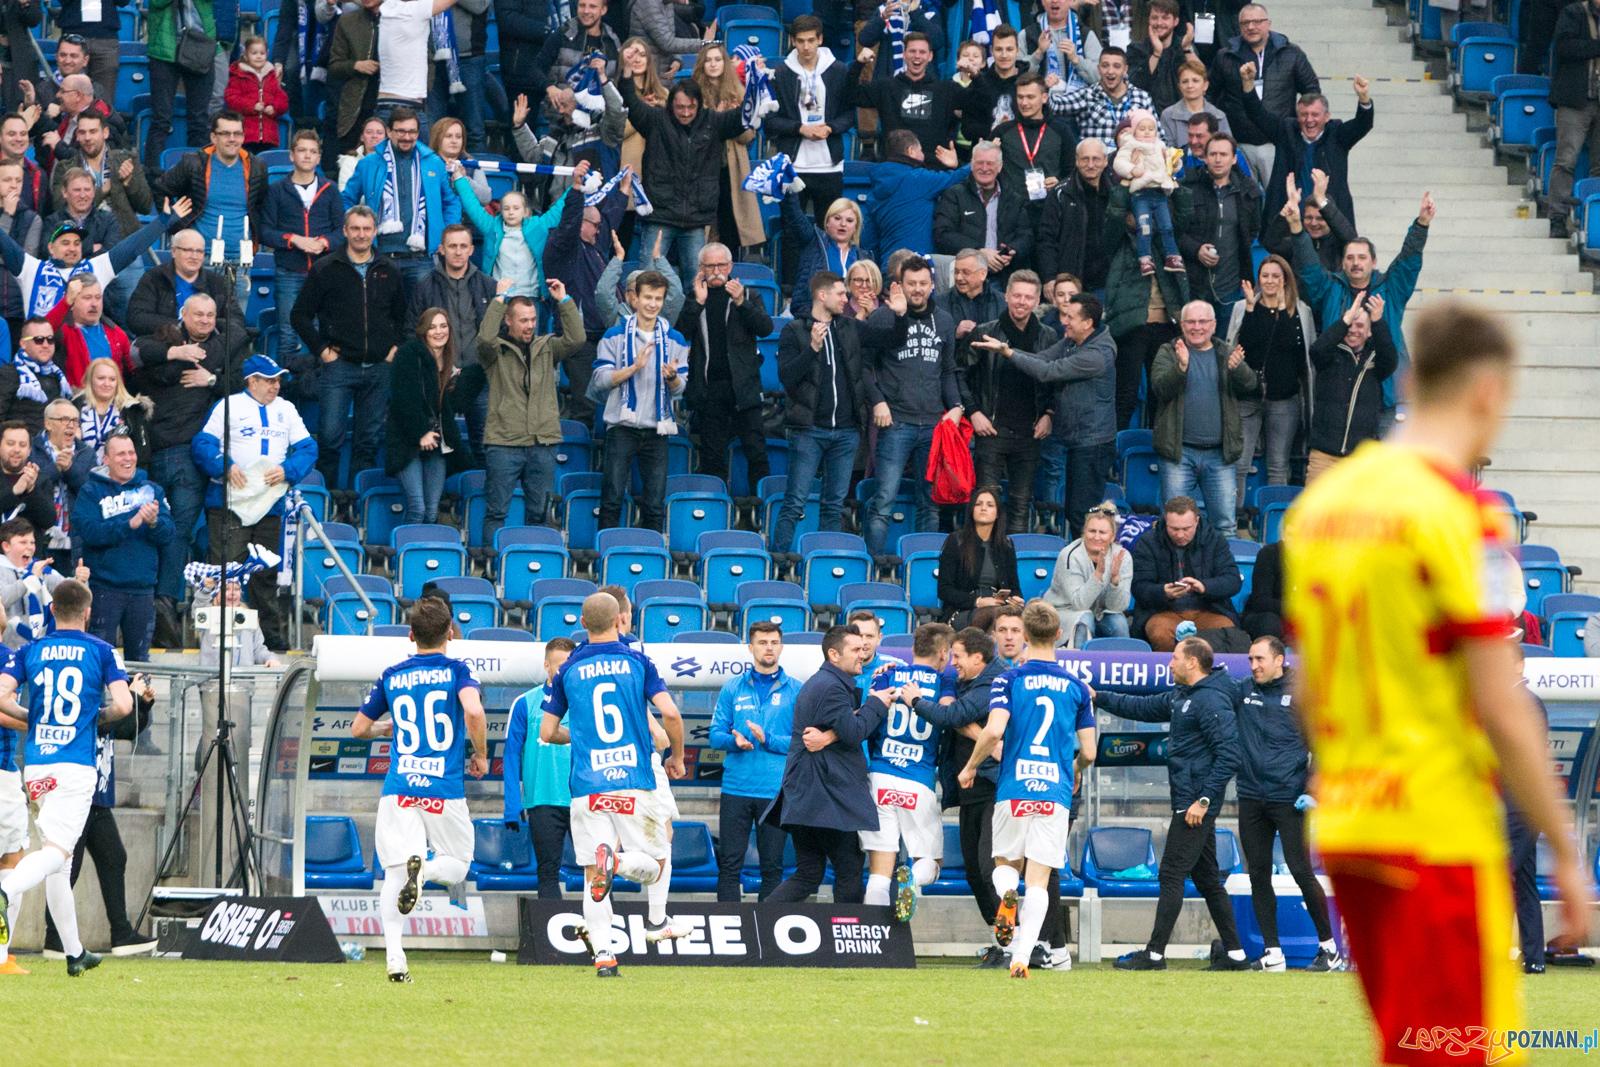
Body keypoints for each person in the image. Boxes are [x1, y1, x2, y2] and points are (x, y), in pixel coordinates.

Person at [1286, 303, 1591, 1053]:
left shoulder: (1323, 506)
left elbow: (1307, 689)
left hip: (1352, 825)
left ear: (1413, 376)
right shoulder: (1463, 513)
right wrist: (1566, 852)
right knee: (1463, 1047)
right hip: (1433, 829)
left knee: (1413, 1044)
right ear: (1488, 391)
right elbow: (1499, 698)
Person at [541, 592, 688, 975]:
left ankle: (604, 957)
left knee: (593, 874)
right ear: (620, 621)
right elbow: (670, 713)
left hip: (587, 787)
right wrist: (676, 756)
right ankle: (620, 863)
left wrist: (584, 737)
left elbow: (547, 731)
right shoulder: (637, 661)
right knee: (656, 865)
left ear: (584, 625)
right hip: (633, 782)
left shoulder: (568, 669)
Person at [350, 596, 486, 983]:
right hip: (442, 787)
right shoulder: (457, 669)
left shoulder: (392, 674)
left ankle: (395, 959)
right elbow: (474, 712)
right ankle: (424, 871)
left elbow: (359, 729)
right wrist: (479, 753)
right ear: (450, 634)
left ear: (410, 635)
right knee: (458, 867)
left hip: (400, 786)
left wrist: (385, 728)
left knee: (394, 875)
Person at [0, 578, 132, 975]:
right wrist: (91, 720)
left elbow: (2, 697)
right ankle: (4, 889)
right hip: (74, 766)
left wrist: (35, 718)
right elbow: (124, 705)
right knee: (56, 853)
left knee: (60, 859)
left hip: (37, 765)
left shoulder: (29, 651)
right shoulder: (104, 651)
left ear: (53, 610)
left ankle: (74, 953)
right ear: (88, 613)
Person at [1094, 635, 1246, 970]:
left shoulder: (1211, 701)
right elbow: (1141, 707)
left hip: (1194, 804)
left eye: (1175, 657)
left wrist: (1203, 801)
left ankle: (1155, 954)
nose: (1169, 663)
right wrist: (1098, 696)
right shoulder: (1182, 696)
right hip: (1188, 799)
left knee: (1171, 873)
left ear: (1193, 662)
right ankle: (1236, 955)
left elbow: (1229, 755)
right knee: (1207, 879)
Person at [959, 600, 1088, 978]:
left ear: (1026, 636)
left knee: (1004, 866)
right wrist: (1075, 768)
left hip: (1014, 789)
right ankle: (1021, 957)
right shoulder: (1077, 686)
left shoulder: (1009, 679)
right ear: (1059, 635)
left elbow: (994, 730)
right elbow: (1091, 751)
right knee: (1040, 881)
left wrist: (970, 766)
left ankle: (1006, 898)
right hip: (1055, 792)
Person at [191, 352, 313, 651]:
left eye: (278, 380)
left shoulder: (286, 409)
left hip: (269, 505)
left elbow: (308, 448)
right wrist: (225, 464)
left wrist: (288, 470)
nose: (276, 386)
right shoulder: (229, 405)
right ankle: (215, 636)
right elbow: (202, 443)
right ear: (252, 381)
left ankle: (268, 637)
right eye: (270, 381)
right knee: (225, 569)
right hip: (230, 503)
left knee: (266, 573)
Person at [765, 623, 895, 905]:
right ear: (834, 655)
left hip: (808, 797)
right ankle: (847, 940)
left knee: (809, 873)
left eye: (864, 648)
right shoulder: (831, 687)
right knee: (848, 869)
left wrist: (830, 734)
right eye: (856, 650)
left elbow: (846, 724)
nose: (863, 654)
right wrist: (877, 703)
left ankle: (760, 924)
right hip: (826, 798)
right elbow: (855, 732)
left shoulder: (826, 683)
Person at [1233, 634, 1340, 971]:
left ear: (1279, 660)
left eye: (1259, 660)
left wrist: (1314, 788)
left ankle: (1330, 949)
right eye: (1250, 660)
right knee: (1258, 876)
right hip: (1251, 796)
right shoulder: (1243, 690)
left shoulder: (1302, 694)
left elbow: (1324, 745)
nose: (1254, 666)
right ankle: (1273, 953)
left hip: (1289, 798)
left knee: (1300, 871)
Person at [857, 622, 978, 918]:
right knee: (931, 862)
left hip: (880, 776)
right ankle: (912, 878)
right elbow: (948, 716)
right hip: (918, 779)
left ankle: (876, 940)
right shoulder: (945, 683)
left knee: (879, 873)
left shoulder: (886, 676)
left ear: (912, 650)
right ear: (944, 652)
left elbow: (867, 720)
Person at [1286, 187, 1430, 428]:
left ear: (1373, 262)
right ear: (1342, 263)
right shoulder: (1330, 288)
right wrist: (1295, 226)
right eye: (1350, 258)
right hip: (1338, 395)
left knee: (1387, 465)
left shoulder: (1391, 288)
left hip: (1384, 398)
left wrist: (1422, 224)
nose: (1355, 263)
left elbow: (1409, 259)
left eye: (1362, 257)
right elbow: (1309, 265)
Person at [984, 291, 1118, 538]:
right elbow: (1040, 358)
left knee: (1082, 514)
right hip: (1078, 440)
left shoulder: (1097, 355)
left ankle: (1092, 568)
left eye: (1070, 317)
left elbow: (1047, 371)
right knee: (1076, 512)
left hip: (1093, 443)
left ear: (1088, 323)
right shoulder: (1072, 342)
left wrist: (1007, 353)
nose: (1063, 321)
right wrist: (1008, 350)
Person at [292, 207, 407, 489]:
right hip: (339, 368)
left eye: (367, 229)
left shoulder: (390, 270)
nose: (361, 234)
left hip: (379, 368)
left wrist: (394, 349)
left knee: (367, 444)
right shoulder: (325, 268)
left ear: (375, 232)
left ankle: (358, 506)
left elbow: (404, 317)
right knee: (330, 440)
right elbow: (299, 315)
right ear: (344, 231)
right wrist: (323, 351)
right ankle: (328, 501)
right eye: (355, 228)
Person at [861, 257, 962, 557]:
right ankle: (873, 570)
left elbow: (947, 371)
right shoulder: (882, 318)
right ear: (899, 286)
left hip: (934, 425)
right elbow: (864, 368)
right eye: (911, 284)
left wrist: (956, 405)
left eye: (923, 284)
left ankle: (922, 571)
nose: (917, 290)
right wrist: (877, 401)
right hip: (896, 425)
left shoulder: (944, 321)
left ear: (932, 285)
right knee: (883, 503)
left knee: (930, 505)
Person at [616, 77, 750, 290]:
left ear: (699, 103)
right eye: (680, 107)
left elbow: (744, 117)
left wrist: (756, 84)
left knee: (695, 286)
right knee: (647, 281)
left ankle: (692, 325)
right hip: (659, 215)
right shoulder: (656, 120)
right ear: (671, 104)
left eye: (691, 107)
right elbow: (630, 103)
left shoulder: (713, 122)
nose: (686, 112)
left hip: (695, 220)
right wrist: (627, 74)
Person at [478, 280, 583, 541]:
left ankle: (531, 569)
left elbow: (576, 339)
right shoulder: (495, 352)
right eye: (523, 320)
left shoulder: (547, 347)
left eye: (533, 319)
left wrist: (564, 301)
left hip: (542, 443)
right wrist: (499, 298)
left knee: (539, 514)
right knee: (496, 513)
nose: (530, 325)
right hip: (504, 443)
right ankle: (493, 569)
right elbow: (483, 340)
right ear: (508, 321)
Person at [773, 272, 864, 553]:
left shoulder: (848, 327)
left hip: (847, 432)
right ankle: (776, 566)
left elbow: (887, 339)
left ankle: (825, 565)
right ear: (822, 295)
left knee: (834, 505)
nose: (845, 299)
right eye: (840, 294)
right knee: (794, 502)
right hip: (809, 431)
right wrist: (812, 348)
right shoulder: (794, 330)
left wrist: (898, 315)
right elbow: (786, 377)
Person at [589, 270, 686, 534]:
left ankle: (650, 561)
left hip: (657, 430)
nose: (653, 304)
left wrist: (673, 379)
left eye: (658, 298)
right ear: (635, 298)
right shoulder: (614, 334)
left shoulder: (674, 339)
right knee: (611, 500)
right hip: (621, 427)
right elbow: (600, 380)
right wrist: (634, 367)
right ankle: (607, 559)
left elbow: (680, 390)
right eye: (648, 297)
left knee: (654, 505)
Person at [933, 626, 1008, 962]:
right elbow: (959, 719)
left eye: (958, 657)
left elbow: (954, 715)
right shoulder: (965, 683)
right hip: (969, 793)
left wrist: (916, 700)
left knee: (989, 866)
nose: (953, 663)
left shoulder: (993, 682)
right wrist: (980, 734)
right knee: (974, 872)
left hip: (994, 788)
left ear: (979, 658)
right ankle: (1002, 937)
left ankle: (1015, 942)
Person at [1149, 300, 1257, 536]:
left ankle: (1226, 574)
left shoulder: (1225, 352)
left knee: (1225, 527)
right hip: (1179, 454)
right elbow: (1159, 387)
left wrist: (1238, 369)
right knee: (1172, 527)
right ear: (1182, 324)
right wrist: (1181, 367)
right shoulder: (1168, 351)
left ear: (1214, 325)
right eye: (1190, 321)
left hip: (1219, 455)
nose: (1196, 327)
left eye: (1202, 321)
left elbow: (1251, 385)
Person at [709, 621, 798, 902]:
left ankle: (767, 935)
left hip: (775, 791)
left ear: (782, 647)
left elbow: (801, 742)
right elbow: (714, 736)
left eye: (773, 642)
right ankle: (728, 933)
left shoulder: (797, 690)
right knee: (729, 866)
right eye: (762, 642)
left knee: (772, 868)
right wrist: (732, 742)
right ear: (750, 647)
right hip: (735, 788)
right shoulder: (732, 688)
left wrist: (769, 738)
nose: (768, 648)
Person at [0, 199, 186, 328]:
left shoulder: (95, 268)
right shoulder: (32, 269)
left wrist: (163, 222)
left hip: (83, 350)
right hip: (44, 346)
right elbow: (5, 244)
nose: (72, 248)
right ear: (50, 247)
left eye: (76, 243)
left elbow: (131, 248)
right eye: (65, 243)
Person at [963, 272, 1055, 532]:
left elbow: (1059, 381)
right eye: (1017, 295)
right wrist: (973, 413)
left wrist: (1050, 413)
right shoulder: (984, 332)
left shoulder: (1048, 336)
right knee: (985, 505)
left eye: (1028, 297)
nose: (1021, 302)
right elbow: (960, 376)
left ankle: (1014, 565)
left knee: (1021, 505)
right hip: (991, 431)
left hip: (1030, 433)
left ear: (1037, 301)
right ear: (1006, 296)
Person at [678, 243, 774, 490]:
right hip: (710, 390)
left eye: (722, 265)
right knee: (712, 459)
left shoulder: (749, 295)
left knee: (757, 454)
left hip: (744, 388)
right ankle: (716, 513)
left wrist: (742, 302)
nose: (717, 270)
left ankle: (762, 511)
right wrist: (697, 303)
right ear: (701, 268)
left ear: (731, 266)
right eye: (711, 265)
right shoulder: (694, 297)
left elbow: (766, 329)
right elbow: (679, 334)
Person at [1230, 64, 1372, 230]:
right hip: (1290, 223)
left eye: (1315, 115)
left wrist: (1364, 99)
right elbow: (1257, 114)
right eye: (1303, 114)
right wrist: (1248, 85)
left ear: (1327, 117)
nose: (1309, 120)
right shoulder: (1286, 131)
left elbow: (1362, 125)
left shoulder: (1338, 135)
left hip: (1328, 224)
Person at [769, 14, 853, 279]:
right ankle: (792, 294)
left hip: (829, 166)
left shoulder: (838, 69)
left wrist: (830, 128)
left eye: (811, 41)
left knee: (830, 233)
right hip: (793, 166)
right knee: (792, 232)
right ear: (792, 41)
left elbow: (851, 114)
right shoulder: (781, 72)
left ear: (820, 39)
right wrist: (800, 129)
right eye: (800, 41)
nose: (806, 47)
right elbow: (769, 121)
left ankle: (830, 287)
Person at [343, 107, 462, 294]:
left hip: (422, 258)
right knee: (383, 318)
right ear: (389, 132)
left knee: (423, 319)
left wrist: (448, 235)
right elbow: (347, 198)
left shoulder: (433, 163)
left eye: (412, 132)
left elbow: (451, 202)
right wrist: (356, 229)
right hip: (381, 256)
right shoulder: (369, 163)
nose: (407, 137)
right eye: (401, 131)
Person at [1222, 253, 1311, 501]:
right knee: (1239, 463)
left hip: (1284, 399)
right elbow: (1247, 345)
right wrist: (1251, 308)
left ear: (1285, 279)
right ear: (1258, 278)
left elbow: (1291, 347)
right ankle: (1236, 517)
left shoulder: (1300, 311)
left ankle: (1273, 523)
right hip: (1249, 397)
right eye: (1265, 275)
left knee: (1278, 465)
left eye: (1276, 276)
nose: (1270, 281)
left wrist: (1282, 308)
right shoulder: (1244, 307)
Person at [260, 128, 346, 378]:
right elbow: (266, 231)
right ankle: (284, 387)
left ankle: (317, 387)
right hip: (289, 271)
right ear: (292, 155)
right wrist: (293, 240)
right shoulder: (277, 189)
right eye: (302, 151)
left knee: (320, 332)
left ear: (319, 157)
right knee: (287, 332)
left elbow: (341, 231)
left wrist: (324, 242)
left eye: (312, 152)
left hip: (323, 274)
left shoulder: (330, 189)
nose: (307, 156)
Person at [502, 636, 576, 900]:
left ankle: (606, 936)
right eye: (559, 666)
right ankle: (553, 938)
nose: (564, 672)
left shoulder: (585, 701)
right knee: (547, 873)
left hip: (584, 799)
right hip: (542, 800)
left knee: (599, 872)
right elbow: (511, 755)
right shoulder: (525, 702)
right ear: (547, 665)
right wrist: (512, 804)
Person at [387, 308, 471, 524]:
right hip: (408, 442)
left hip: (437, 443)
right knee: (417, 508)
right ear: (423, 331)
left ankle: (425, 555)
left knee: (431, 512)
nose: (439, 331)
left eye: (443, 326)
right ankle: (406, 557)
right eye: (432, 327)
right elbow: (402, 399)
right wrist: (420, 433)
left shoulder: (449, 359)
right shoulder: (408, 354)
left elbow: (448, 407)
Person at [1130, 495, 1243, 650]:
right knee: (1161, 634)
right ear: (1165, 521)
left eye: (1186, 529)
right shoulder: (1148, 542)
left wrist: (1204, 587)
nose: (1180, 535)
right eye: (1174, 529)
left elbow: (1233, 581)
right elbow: (1139, 587)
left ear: (1196, 521)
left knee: (1229, 634)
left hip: (1209, 610)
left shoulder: (1215, 540)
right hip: (1163, 612)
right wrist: (1163, 592)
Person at [447, 156, 568, 300]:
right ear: (501, 211)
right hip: (501, 296)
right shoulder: (491, 227)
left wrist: (578, 186)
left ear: (525, 211)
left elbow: (560, 209)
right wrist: (459, 178)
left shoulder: (538, 226)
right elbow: (472, 205)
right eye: (506, 208)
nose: (511, 212)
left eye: (516, 208)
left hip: (531, 296)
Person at [1305, 293, 1397, 483]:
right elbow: (1316, 350)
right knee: (1316, 512)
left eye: (1360, 325)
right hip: (1324, 455)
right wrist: (1346, 319)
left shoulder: (1376, 360)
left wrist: (1378, 321)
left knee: (1357, 513)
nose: (1353, 330)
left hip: (1360, 459)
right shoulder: (1329, 355)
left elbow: (1390, 359)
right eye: (1350, 325)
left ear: (1370, 332)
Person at [1180, 132, 1261, 318]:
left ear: (1234, 159)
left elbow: (1253, 229)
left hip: (1230, 287)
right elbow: (1173, 231)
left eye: (1223, 155)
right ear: (1205, 158)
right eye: (1213, 154)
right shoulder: (1187, 188)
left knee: (1227, 343)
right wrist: (1196, 250)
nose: (1218, 160)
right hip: (1194, 285)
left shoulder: (1248, 191)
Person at [849, 32, 962, 165]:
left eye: (922, 52)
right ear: (904, 54)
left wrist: (975, 75)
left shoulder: (946, 89)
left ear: (930, 56)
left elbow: (980, 103)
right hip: (894, 169)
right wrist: (858, 64)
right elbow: (851, 96)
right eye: (912, 51)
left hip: (933, 171)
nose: (917, 56)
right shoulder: (886, 86)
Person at [1506, 642, 1551, 973]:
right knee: (1523, 881)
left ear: (1520, 666)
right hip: (1516, 805)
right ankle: (1534, 958)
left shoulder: (1526, 702)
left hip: (1520, 807)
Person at [932, 145, 1032, 287]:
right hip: (964, 278)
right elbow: (942, 234)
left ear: (1000, 166)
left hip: (1003, 278)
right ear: (972, 165)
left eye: (990, 163)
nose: (984, 168)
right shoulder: (954, 195)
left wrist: (1012, 250)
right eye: (980, 163)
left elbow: (1026, 235)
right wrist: (979, 252)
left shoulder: (1014, 198)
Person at [124, 227, 243, 345]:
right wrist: (182, 327)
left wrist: (208, 330)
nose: (194, 256)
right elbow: (136, 318)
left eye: (199, 251)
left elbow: (236, 321)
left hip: (207, 348)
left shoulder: (217, 282)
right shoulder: (154, 278)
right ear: (174, 251)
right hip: (165, 347)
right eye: (188, 250)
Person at [865, 130, 969, 261]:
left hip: (889, 269)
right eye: (921, 150)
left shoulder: (874, 188)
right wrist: (979, 159)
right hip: (918, 269)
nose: (923, 155)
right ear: (911, 151)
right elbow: (957, 177)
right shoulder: (917, 178)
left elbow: (868, 240)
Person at [48, 112, 151, 243]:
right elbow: (59, 207)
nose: (87, 137)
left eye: (93, 132)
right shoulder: (65, 168)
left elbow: (146, 207)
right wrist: (102, 191)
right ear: (77, 136)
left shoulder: (127, 161)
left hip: (124, 242)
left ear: (105, 133)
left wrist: (129, 183)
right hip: (83, 244)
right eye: (82, 132)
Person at [1546, 0, 1600, 237]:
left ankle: (1593, 221)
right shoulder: (1573, 12)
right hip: (1575, 99)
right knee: (1566, 160)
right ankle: (1558, 217)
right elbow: (1563, 48)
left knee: (1599, 166)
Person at [1046, 501, 1132, 646]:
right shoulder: (1069, 555)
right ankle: (1078, 665)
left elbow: (1117, 607)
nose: (1096, 537)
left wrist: (1115, 580)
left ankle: (1122, 666)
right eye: (1092, 531)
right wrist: (1098, 575)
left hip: (1099, 614)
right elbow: (1079, 604)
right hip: (1065, 612)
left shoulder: (1123, 556)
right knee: (1084, 620)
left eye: (1102, 532)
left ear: (1112, 536)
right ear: (1084, 531)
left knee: (1119, 622)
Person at [1112, 109, 1184, 276]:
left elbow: (1171, 166)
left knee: (1167, 226)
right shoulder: (1129, 145)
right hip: (1141, 194)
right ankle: (1144, 258)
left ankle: (1172, 256)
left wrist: (1173, 162)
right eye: (1142, 128)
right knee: (1144, 227)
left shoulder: (1160, 145)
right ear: (1134, 130)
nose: (1146, 132)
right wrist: (1132, 169)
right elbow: (1119, 163)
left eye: (1150, 128)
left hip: (1159, 192)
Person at [937, 488, 1023, 627]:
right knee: (999, 617)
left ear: (997, 514)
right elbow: (944, 590)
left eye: (990, 505)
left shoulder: (1006, 545)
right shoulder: (956, 541)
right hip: (962, 610)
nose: (983, 508)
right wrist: (977, 601)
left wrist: (1015, 599)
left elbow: (1014, 587)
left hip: (999, 607)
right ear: (971, 510)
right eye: (978, 504)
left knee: (1026, 615)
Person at [0, 516, 88, 646]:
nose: (29, 547)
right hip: (6, 649)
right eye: (23, 542)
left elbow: (65, 590)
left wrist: (79, 580)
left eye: (32, 542)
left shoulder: (39, 569)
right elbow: (3, 598)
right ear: (6, 546)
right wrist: (29, 579)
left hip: (37, 648)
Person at [1038, 138, 1112, 293]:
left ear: (1106, 161)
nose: (1090, 165)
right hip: (1071, 284)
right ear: (1077, 161)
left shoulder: (1116, 193)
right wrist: (1050, 277)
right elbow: (1046, 239)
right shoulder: (1061, 193)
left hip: (1108, 283)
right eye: (1085, 159)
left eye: (1096, 159)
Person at [31, 397, 95, 569]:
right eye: (64, 419)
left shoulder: (86, 453)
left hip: (73, 542)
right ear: (48, 424)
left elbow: (90, 493)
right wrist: (56, 468)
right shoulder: (31, 449)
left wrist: (70, 470)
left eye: (75, 420)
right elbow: (29, 488)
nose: (71, 425)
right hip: (39, 539)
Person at [779, 191, 861, 324]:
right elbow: (794, 216)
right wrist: (789, 191)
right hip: (812, 318)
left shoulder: (863, 257)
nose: (843, 224)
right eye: (837, 218)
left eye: (849, 220)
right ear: (827, 222)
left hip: (849, 323)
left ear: (855, 227)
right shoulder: (813, 241)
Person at [1260, 169, 1353, 276]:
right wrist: (1285, 212)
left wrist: (1322, 201)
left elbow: (1350, 237)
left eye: (1320, 218)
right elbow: (1271, 244)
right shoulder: (1297, 243)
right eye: (1309, 217)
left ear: (1329, 218)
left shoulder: (1339, 244)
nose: (1313, 223)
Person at [1056, 47, 1154, 148]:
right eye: (1105, 66)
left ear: (1125, 70)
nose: (1110, 71)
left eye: (1116, 66)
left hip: (1131, 160)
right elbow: (1055, 105)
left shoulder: (1142, 97)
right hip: (1094, 161)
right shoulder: (1087, 95)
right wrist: (1039, 55)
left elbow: (1158, 135)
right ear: (1098, 69)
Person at [47, 275, 131, 389]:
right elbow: (39, 334)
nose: (94, 304)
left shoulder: (118, 334)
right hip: (75, 402)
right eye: (87, 298)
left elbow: (132, 372)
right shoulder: (62, 331)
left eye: (98, 297)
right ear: (72, 303)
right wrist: (65, 302)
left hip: (112, 403)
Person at [327, 0, 383, 155]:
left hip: (391, 102)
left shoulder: (401, 19)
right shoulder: (347, 21)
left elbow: (426, 60)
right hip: (355, 107)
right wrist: (356, 65)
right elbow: (334, 66)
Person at [937, 249, 1005, 372]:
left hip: (993, 374)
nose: (959, 277)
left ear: (983, 274)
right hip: (955, 373)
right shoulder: (939, 303)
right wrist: (954, 333)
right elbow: (932, 341)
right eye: (956, 272)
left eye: (965, 272)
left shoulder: (1003, 302)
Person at [0, 317, 70, 435]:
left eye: (50, 339)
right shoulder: (8, 374)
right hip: (19, 448)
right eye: (38, 340)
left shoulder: (59, 376)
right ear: (23, 343)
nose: (45, 344)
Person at [1127, 0, 1199, 112]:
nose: (1159, 23)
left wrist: (1187, 48)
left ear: (1175, 21)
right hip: (1146, 116)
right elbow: (1137, 83)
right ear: (1149, 20)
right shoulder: (1136, 48)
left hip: (1181, 113)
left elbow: (1200, 77)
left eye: (1165, 18)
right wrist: (1156, 53)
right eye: (1154, 18)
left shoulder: (1185, 46)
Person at [224, 36, 290, 155]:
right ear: (245, 55)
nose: (259, 56)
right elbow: (231, 99)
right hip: (245, 135)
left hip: (267, 136)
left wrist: (274, 108)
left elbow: (282, 99)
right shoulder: (238, 76)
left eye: (262, 53)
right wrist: (252, 106)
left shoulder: (272, 76)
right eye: (254, 53)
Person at [0, 420, 57, 536]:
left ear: (29, 450)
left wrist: (31, 489)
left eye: (22, 445)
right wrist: (14, 491)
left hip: (30, 552)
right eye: (10, 443)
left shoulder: (41, 479)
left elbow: (48, 521)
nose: (16, 449)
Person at [1159, 59, 1229, 148]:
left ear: (1205, 85)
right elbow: (1167, 150)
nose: (1190, 86)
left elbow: (1227, 149)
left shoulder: (1219, 116)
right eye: (1185, 81)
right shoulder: (1168, 115)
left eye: (1195, 80)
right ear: (1179, 87)